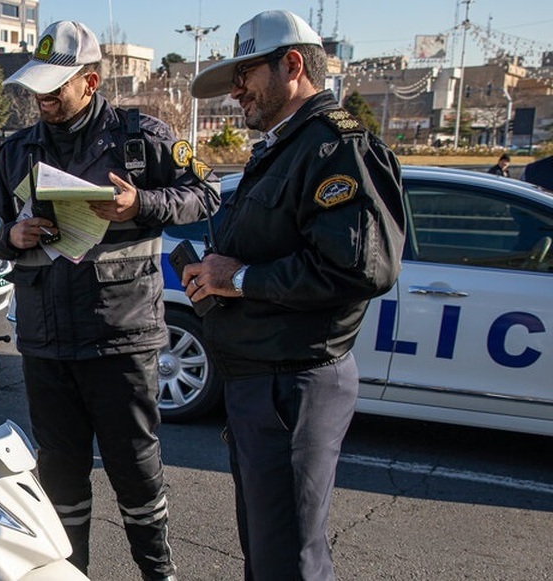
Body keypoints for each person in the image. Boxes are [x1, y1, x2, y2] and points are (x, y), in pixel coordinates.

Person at [0, 20, 215, 581]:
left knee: (136, 472)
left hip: (122, 336)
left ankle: (158, 574)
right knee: (60, 480)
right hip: (46, 342)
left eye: (54, 87)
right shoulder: (16, 150)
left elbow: (206, 194)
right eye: (34, 87)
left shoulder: (145, 137)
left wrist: (143, 204)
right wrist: (8, 236)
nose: (41, 98)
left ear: (89, 81)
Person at [184, 10, 406, 580]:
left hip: (293, 383)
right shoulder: (286, 147)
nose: (235, 91)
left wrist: (236, 279)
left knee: (290, 559)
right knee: (268, 551)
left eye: (245, 74)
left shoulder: (335, 148)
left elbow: (360, 267)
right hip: (262, 382)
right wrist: (215, 274)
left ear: (292, 64)